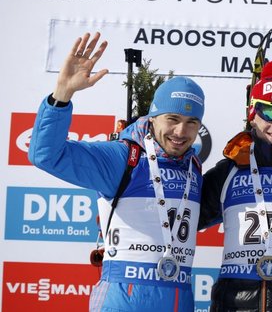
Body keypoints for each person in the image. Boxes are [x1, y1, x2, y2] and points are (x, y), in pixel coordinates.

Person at [28, 32, 206, 312]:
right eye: (173, 119)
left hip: (178, 300)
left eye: (191, 122)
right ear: (153, 116)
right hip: (124, 300)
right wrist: (62, 94)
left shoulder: (192, 169)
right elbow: (46, 155)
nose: (181, 132)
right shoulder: (124, 157)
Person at [199, 61, 272, 311]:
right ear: (252, 114)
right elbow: (182, 218)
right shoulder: (228, 171)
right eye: (268, 112)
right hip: (233, 303)